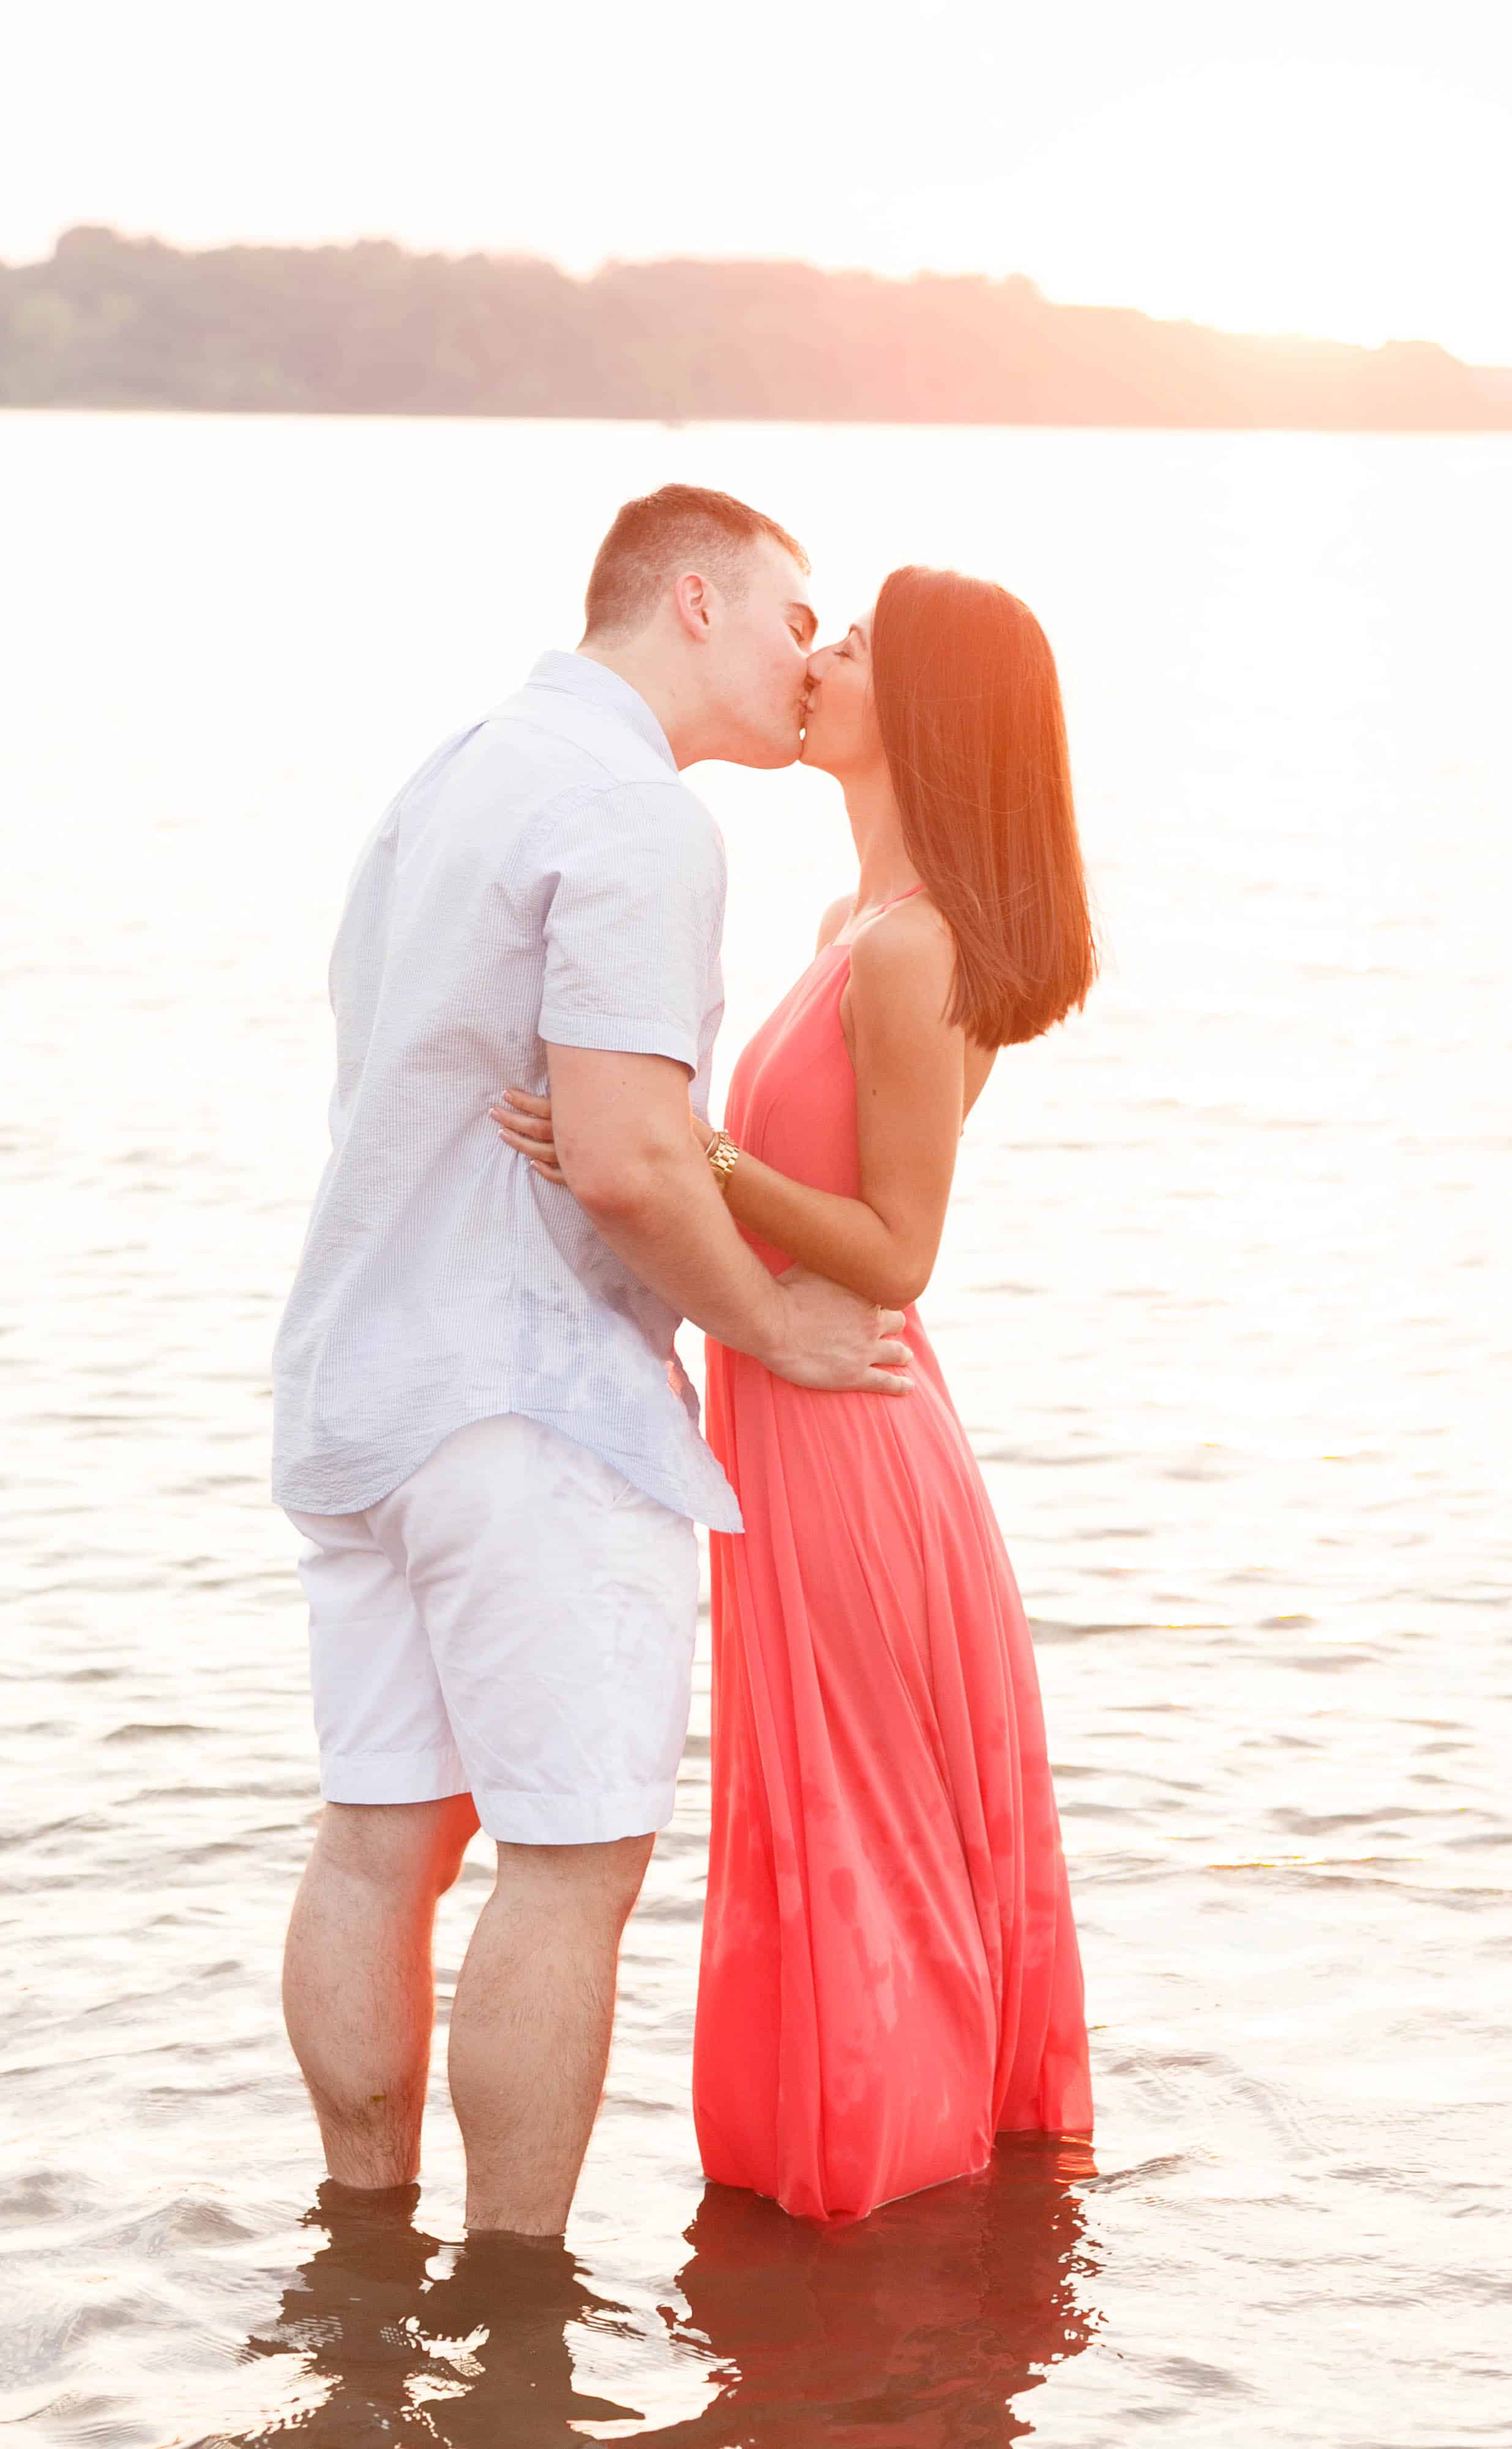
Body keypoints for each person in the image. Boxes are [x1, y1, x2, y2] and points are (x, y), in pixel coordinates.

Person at [271, 486, 911, 2241]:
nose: (809, 658)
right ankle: (513, 2311)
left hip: (357, 1382)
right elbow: (629, 1154)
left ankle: (361, 2253)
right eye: (798, 617)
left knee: (378, 1844)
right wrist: (771, 1323)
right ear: (696, 604)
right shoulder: (635, 814)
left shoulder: (458, 770)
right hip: (527, 1402)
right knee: (569, 1865)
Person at [495, 564, 1097, 2219]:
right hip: (806, 1413)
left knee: (853, 1816)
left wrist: (689, 1148)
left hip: (852, 1424)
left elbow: (897, 1250)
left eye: (849, 646)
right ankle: (870, 2204)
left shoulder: (910, 950)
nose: (814, 661)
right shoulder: (854, 928)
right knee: (820, 1805)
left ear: (927, 711)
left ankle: (874, 2180)